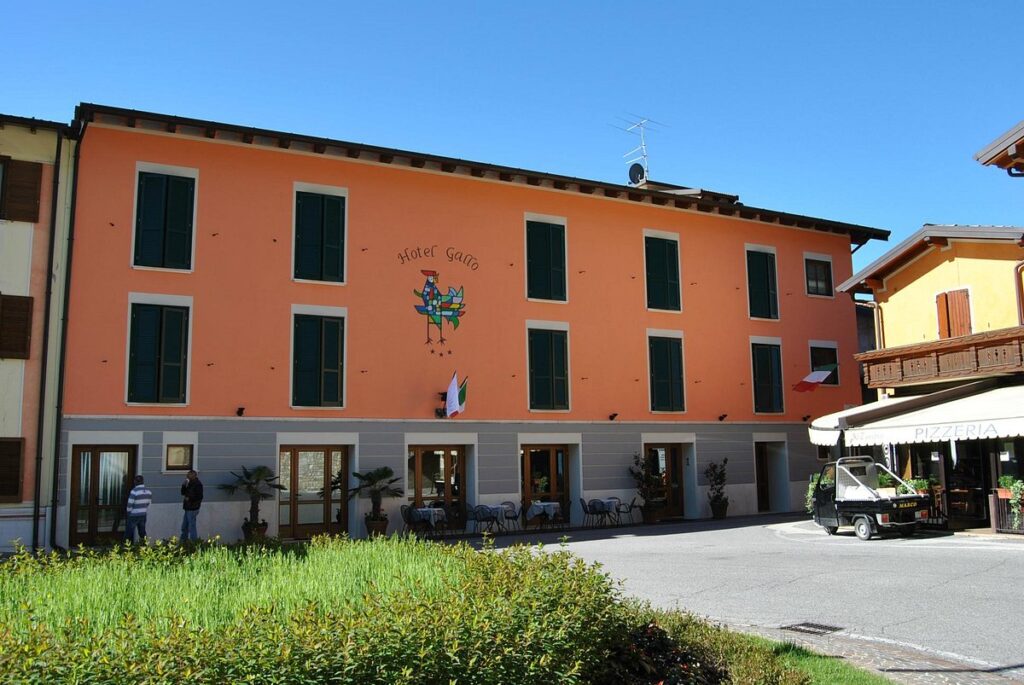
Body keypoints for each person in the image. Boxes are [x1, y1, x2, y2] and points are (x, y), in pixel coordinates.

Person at [124, 475, 152, 544]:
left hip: (133, 515)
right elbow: (149, 503)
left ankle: (126, 547)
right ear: (143, 481)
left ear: (135, 481)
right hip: (143, 514)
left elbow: (130, 504)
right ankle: (145, 546)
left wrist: (128, 512)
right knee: (142, 532)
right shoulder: (149, 492)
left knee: (128, 533)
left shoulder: (134, 491)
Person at [180, 469, 204, 541]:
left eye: (189, 474)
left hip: (193, 508)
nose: (187, 476)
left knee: (191, 526)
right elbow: (183, 493)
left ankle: (194, 542)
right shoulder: (189, 483)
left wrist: (190, 499)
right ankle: (183, 541)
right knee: (184, 526)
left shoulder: (198, 484)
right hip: (187, 507)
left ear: (194, 475)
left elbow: (199, 496)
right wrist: (184, 485)